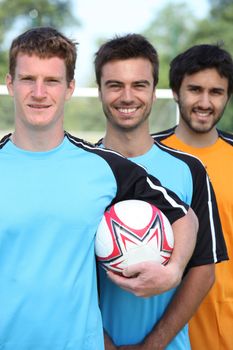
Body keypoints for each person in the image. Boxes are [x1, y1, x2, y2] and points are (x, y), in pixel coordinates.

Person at [0, 27, 199, 350]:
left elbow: (183, 215)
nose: (39, 92)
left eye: (51, 81)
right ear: (10, 84)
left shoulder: (105, 166)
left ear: (69, 88)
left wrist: (174, 271)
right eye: (27, 79)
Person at [94, 34, 228, 349]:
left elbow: (203, 272)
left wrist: (152, 345)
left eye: (139, 85)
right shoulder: (80, 169)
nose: (128, 97)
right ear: (99, 90)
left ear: (155, 92)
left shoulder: (190, 169)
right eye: (115, 85)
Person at [153, 43, 233, 350]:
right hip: (165, 334)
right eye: (194, 89)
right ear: (175, 92)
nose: (204, 101)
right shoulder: (147, 159)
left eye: (216, 92)